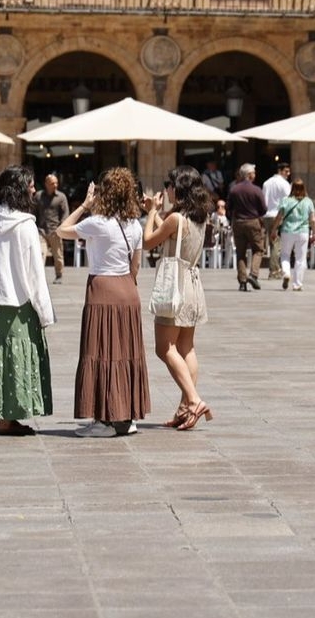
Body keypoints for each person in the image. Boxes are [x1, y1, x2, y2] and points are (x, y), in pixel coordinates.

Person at [56, 167, 148, 438]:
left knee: (102, 351)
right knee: (125, 353)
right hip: (128, 290)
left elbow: (61, 231)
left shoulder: (96, 222)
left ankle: (105, 421)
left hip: (103, 289)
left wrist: (84, 205)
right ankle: (126, 417)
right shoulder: (135, 225)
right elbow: (136, 265)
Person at [0, 165, 55, 436]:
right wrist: (44, 310)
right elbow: (34, 273)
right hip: (16, 300)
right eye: (30, 185)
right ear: (19, 188)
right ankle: (8, 419)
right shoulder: (26, 225)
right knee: (16, 356)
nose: (33, 189)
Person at [142, 165, 213, 431]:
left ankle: (193, 400)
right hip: (193, 284)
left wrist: (150, 212)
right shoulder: (198, 216)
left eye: (168, 185)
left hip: (175, 288)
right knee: (187, 348)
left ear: (177, 188)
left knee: (164, 348)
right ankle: (185, 408)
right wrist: (158, 213)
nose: (166, 190)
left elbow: (148, 241)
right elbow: (173, 235)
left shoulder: (175, 219)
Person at [272, 178, 315, 291]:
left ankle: (286, 273)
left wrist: (274, 230)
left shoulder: (286, 200)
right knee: (300, 259)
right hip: (303, 232)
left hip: (287, 231)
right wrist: (314, 233)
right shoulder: (308, 201)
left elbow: (279, 217)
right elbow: (312, 220)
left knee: (285, 255)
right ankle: (297, 284)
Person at [226, 162, 266, 291]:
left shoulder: (234, 189)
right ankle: (253, 274)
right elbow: (263, 209)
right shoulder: (256, 190)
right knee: (258, 249)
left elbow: (228, 208)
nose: (255, 175)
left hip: (238, 222)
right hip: (253, 221)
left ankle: (242, 281)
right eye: (253, 172)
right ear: (249, 175)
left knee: (240, 252)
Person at [35, 174, 70, 284]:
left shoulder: (61, 197)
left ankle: (59, 275)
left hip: (55, 230)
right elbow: (33, 210)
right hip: (41, 231)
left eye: (56, 183)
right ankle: (38, 277)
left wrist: (62, 225)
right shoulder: (38, 196)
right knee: (40, 254)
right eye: (52, 183)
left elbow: (65, 213)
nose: (55, 185)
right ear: (46, 184)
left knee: (58, 255)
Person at [262, 161, 291, 279]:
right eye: (286, 171)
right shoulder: (284, 184)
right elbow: (288, 201)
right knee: (277, 244)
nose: (288, 174)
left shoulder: (266, 183)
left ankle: (276, 268)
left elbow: (264, 200)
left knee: (272, 242)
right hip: (278, 215)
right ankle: (274, 270)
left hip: (267, 215)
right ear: (280, 171)